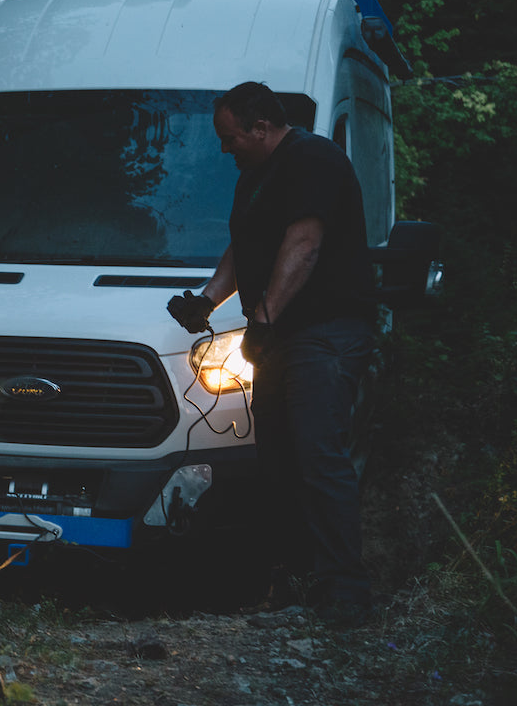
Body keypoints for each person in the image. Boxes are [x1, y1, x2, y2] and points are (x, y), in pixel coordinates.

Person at [167, 81, 376, 624]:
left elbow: (304, 243)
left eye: (230, 136)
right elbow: (247, 242)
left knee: (317, 454)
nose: (224, 148)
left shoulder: (313, 160)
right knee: (280, 459)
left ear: (262, 127)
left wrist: (262, 318)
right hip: (284, 335)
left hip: (324, 333)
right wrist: (207, 302)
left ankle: (346, 595)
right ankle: (296, 587)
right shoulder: (256, 176)